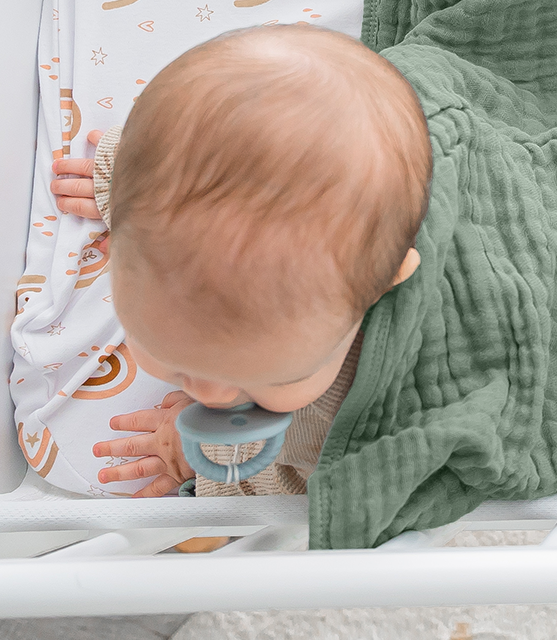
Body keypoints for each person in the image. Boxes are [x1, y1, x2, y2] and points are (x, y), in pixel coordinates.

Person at [49, 27, 430, 497]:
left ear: (383, 283)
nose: (211, 397)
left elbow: (301, 480)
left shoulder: (343, 411)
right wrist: (126, 190)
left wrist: (208, 460)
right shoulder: (299, 349)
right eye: (177, 362)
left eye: (272, 379)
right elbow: (191, 155)